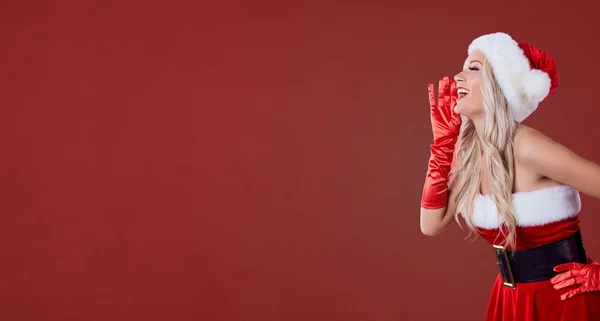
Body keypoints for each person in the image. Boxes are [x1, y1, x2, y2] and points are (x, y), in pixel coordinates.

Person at [419, 32, 600, 320]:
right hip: (510, 300)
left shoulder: (528, 147)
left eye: (473, 68)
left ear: (500, 86)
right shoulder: (468, 153)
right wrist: (442, 146)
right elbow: (431, 224)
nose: (458, 77)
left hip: (564, 303)